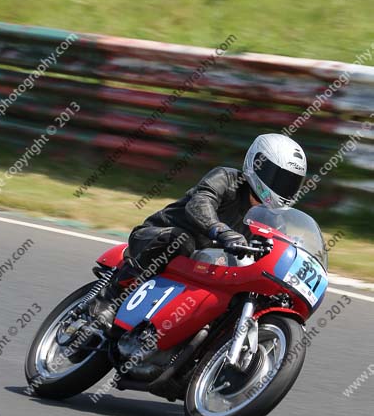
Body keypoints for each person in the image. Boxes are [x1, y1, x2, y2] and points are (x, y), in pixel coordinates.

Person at [90, 134, 308, 328]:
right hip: (158, 237)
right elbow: (200, 203)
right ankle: (111, 297)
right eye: (278, 178)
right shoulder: (227, 178)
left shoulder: (273, 220)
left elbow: (271, 251)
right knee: (180, 240)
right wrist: (222, 231)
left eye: (290, 183)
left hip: (202, 270)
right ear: (257, 164)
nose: (283, 188)